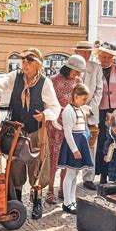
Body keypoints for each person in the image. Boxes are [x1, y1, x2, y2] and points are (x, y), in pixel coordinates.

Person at [0, 48, 61, 220]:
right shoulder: (16, 76)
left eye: (29, 61)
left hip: (36, 131)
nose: (25, 64)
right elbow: (2, 80)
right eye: (23, 60)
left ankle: (37, 203)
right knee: (15, 166)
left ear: (38, 64)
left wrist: (45, 115)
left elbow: (54, 106)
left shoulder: (45, 82)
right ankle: (17, 202)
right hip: (16, 130)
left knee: (37, 167)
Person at [46, 55, 84, 204]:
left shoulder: (78, 81)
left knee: (67, 157)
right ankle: (50, 190)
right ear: (68, 68)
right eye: (76, 71)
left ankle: (63, 188)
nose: (78, 74)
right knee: (53, 158)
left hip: (71, 123)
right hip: (55, 124)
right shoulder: (53, 80)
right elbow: (47, 102)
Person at [94, 43, 116, 185]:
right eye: (103, 56)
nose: (106, 59)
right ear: (99, 57)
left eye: (109, 57)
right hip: (100, 112)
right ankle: (103, 173)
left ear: (113, 58)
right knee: (102, 143)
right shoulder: (96, 70)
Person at [57, 83, 93, 214]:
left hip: (80, 143)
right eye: (83, 99)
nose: (85, 102)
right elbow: (68, 132)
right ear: (76, 96)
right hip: (74, 145)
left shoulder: (79, 109)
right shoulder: (68, 111)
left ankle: (72, 200)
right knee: (70, 174)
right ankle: (67, 203)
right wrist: (75, 150)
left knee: (75, 174)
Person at [72, 41, 103, 190]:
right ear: (77, 52)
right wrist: (75, 108)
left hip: (90, 113)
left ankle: (89, 177)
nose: (87, 55)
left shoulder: (96, 67)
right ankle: (71, 176)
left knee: (91, 145)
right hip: (73, 112)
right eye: (84, 52)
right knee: (73, 143)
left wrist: (89, 108)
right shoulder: (71, 66)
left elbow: (99, 90)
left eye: (89, 52)